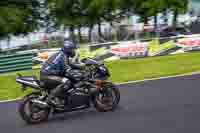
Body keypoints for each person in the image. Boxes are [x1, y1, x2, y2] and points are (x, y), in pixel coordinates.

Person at [40, 36, 81, 107]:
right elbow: (67, 70)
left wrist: (81, 67)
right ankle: (51, 98)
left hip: (48, 74)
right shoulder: (63, 56)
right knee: (66, 81)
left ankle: (60, 97)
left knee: (65, 79)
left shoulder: (62, 55)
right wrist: (77, 75)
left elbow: (71, 64)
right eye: (73, 49)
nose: (74, 51)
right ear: (68, 49)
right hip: (47, 75)